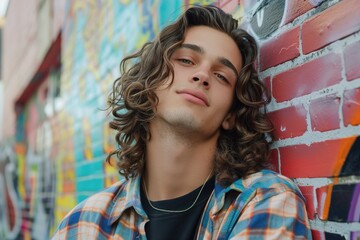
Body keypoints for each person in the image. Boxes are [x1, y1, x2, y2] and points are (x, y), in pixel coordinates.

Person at [52, 5, 311, 240]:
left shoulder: (265, 200)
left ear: (230, 116)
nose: (202, 75)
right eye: (186, 60)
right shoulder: (83, 225)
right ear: (150, 83)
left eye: (222, 76)